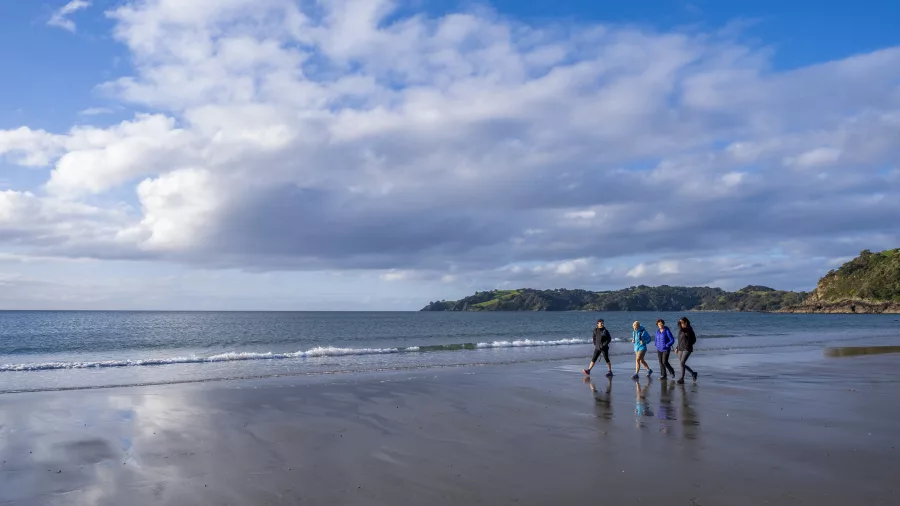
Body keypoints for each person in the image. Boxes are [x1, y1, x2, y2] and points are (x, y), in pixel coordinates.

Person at [675, 317, 698, 384]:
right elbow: (680, 340)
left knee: (682, 363)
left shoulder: (689, 330)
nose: (680, 324)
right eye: (680, 323)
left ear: (686, 322)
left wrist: (688, 345)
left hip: (687, 349)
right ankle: (693, 373)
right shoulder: (680, 330)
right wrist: (677, 348)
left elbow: (694, 340)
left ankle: (681, 379)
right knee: (682, 364)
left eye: (681, 322)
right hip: (680, 348)